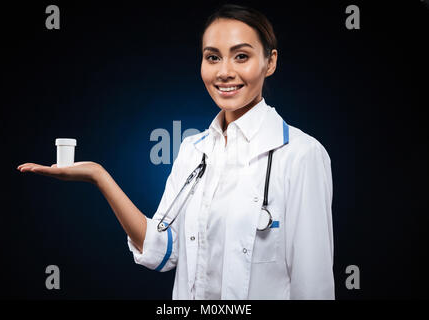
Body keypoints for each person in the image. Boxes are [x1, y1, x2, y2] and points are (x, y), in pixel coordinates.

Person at [17, 4, 334, 300]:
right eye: (212, 57)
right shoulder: (192, 151)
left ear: (271, 62)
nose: (224, 72)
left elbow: (314, 285)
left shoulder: (301, 155)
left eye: (241, 56)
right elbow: (161, 251)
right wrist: (99, 176)